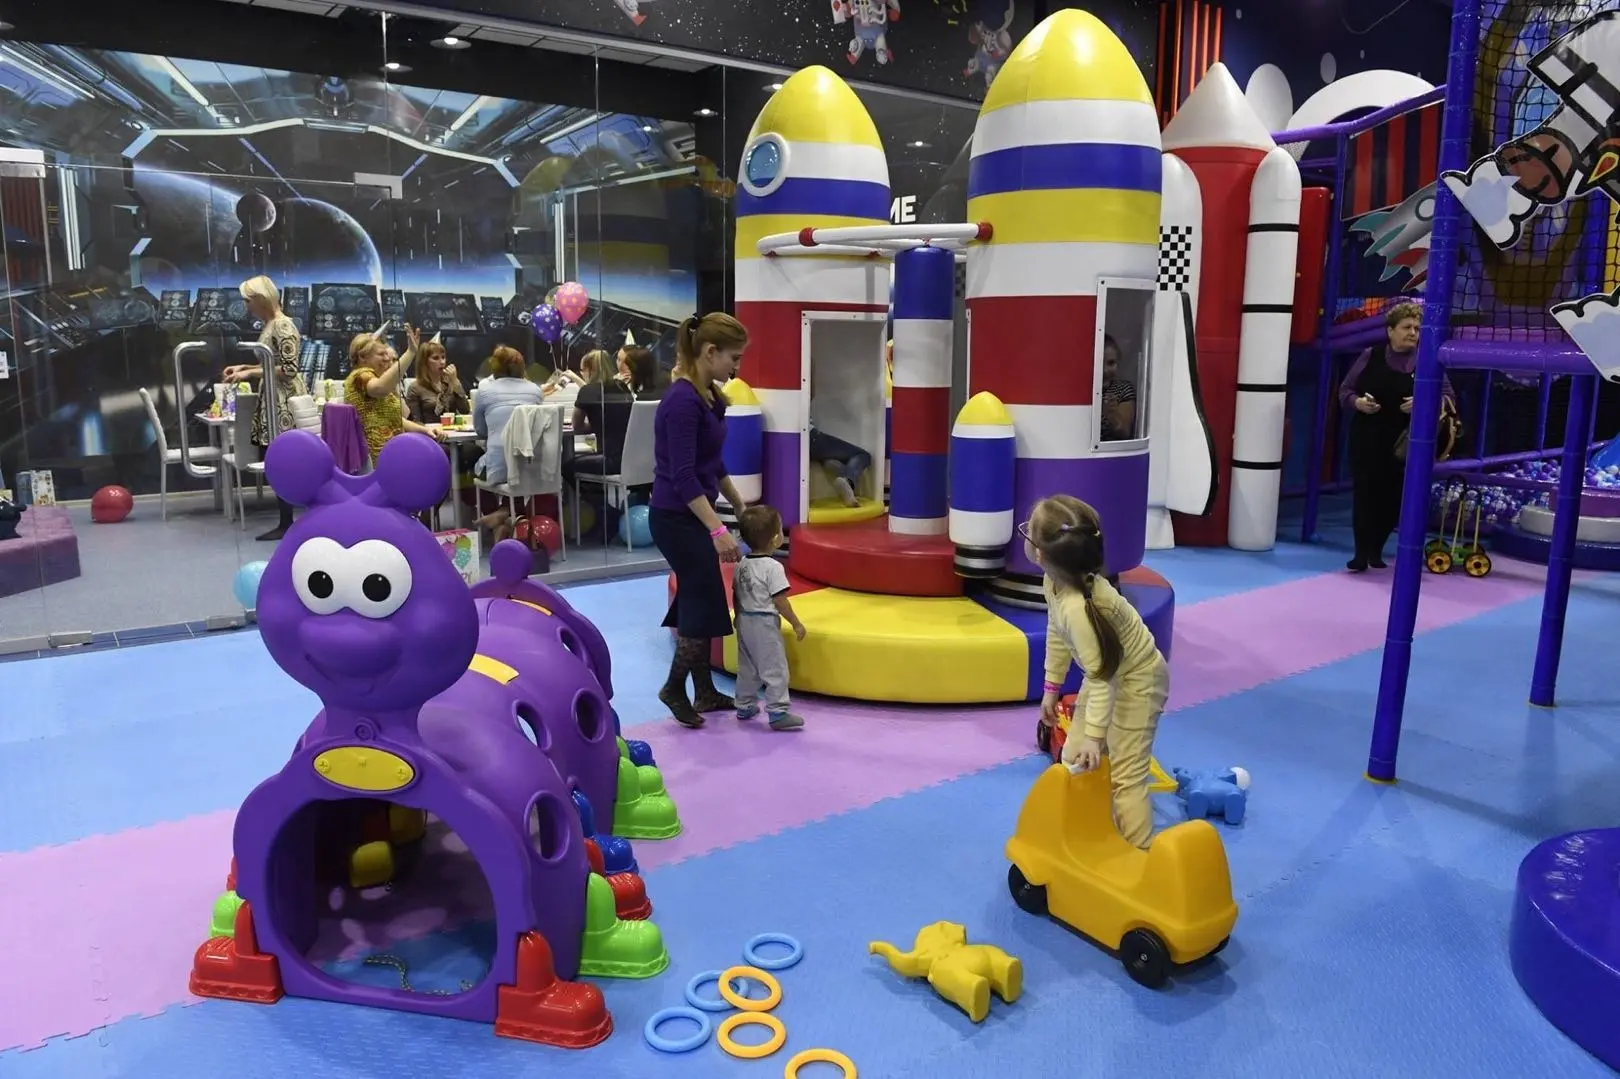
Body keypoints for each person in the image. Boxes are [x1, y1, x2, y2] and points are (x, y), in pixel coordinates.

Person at [1027, 494, 1169, 850]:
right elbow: (1058, 635)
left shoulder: (1079, 607)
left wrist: (1095, 735)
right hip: (1105, 675)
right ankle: (1087, 829)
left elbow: (1102, 676)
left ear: (1040, 554)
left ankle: (1142, 857)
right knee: (1073, 756)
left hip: (1138, 680)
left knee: (1127, 775)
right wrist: (1051, 687)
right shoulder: (1054, 584)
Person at [651, 311, 751, 728]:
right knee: (704, 598)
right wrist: (718, 529)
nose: (737, 366)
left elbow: (712, 465)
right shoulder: (681, 403)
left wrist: (739, 504)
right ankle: (675, 687)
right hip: (676, 518)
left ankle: (705, 692)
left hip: (692, 513)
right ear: (710, 352)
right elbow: (684, 475)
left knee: (699, 597)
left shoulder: (709, 396)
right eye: (734, 357)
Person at [1337, 302, 1456, 572]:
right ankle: (1360, 554)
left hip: (1407, 442)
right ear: (1391, 331)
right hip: (1367, 437)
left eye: (1417, 328)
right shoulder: (1371, 355)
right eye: (1406, 328)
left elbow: (1449, 397)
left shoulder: (1429, 360)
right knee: (1364, 494)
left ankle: (1376, 550)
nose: (1413, 333)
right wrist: (1358, 403)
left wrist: (1425, 401)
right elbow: (1345, 390)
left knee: (1392, 498)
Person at [224, 275, 307, 541]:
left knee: (282, 460)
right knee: (276, 460)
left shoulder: (282, 325)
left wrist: (250, 374)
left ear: (260, 299)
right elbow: (273, 362)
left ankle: (287, 521)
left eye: (248, 300)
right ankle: (286, 519)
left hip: (282, 401)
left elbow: (290, 369)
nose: (247, 306)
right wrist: (246, 368)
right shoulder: (273, 324)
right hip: (273, 398)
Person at [731, 505, 806, 731]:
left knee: (747, 666)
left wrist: (737, 615)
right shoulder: (773, 567)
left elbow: (736, 592)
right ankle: (777, 711)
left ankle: (744, 704)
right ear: (775, 538)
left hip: (745, 619)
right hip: (764, 622)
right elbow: (780, 600)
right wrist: (796, 623)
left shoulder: (742, 564)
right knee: (775, 667)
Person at [472, 345, 547, 540]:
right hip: (532, 466)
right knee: (518, 471)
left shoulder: (485, 391)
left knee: (473, 467)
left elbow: (480, 431)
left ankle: (499, 513)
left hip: (500, 468)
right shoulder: (536, 391)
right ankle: (508, 515)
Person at [344, 334, 447, 468]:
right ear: (362, 357)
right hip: (377, 457)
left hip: (392, 451)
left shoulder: (376, 380)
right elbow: (380, 387)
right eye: (381, 354)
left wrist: (424, 430)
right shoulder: (360, 376)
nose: (387, 359)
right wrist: (410, 352)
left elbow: (398, 420)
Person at [567, 349, 634, 489]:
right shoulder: (621, 387)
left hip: (609, 460)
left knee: (566, 466)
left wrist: (594, 424)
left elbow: (577, 425)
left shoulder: (587, 390)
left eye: (582, 370)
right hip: (631, 459)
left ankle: (594, 504)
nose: (582, 374)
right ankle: (600, 505)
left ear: (590, 370)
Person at [404, 330, 469, 424]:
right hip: (429, 435)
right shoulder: (415, 388)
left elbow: (465, 410)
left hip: (453, 433)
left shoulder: (450, 383)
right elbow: (415, 421)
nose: (442, 362)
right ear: (425, 362)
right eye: (436, 358)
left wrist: (455, 382)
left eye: (443, 357)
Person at [1099, 335, 1137, 441]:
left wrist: (1112, 415)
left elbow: (1125, 433)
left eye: (1111, 363)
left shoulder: (1123, 389)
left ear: (1118, 363)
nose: (1105, 370)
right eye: (1099, 363)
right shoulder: (1080, 390)